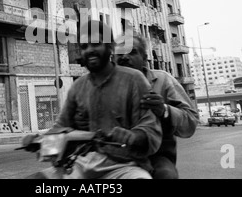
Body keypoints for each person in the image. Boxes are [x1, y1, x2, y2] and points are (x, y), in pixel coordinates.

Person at [23, 20, 162, 179]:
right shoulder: (78, 87)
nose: (89, 50)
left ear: (110, 46)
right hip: (82, 164)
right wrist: (38, 140)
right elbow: (61, 127)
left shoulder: (134, 79)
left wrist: (134, 136)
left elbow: (151, 128)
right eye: (84, 46)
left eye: (95, 44)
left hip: (124, 166)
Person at [114, 33, 199, 179]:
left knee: (166, 175)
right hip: (114, 157)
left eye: (132, 52)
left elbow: (191, 122)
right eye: (120, 53)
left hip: (155, 156)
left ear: (144, 59)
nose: (125, 57)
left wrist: (164, 110)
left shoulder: (163, 80)